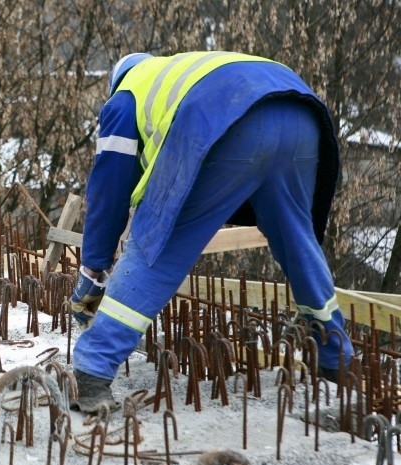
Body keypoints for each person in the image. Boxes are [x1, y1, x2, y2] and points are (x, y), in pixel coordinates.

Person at [69, 51, 355, 413]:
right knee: (299, 242)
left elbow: (109, 192)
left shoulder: (125, 98)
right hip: (300, 113)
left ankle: (93, 369)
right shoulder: (179, 71)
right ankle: (337, 357)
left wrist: (93, 267)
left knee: (156, 246)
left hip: (224, 121)